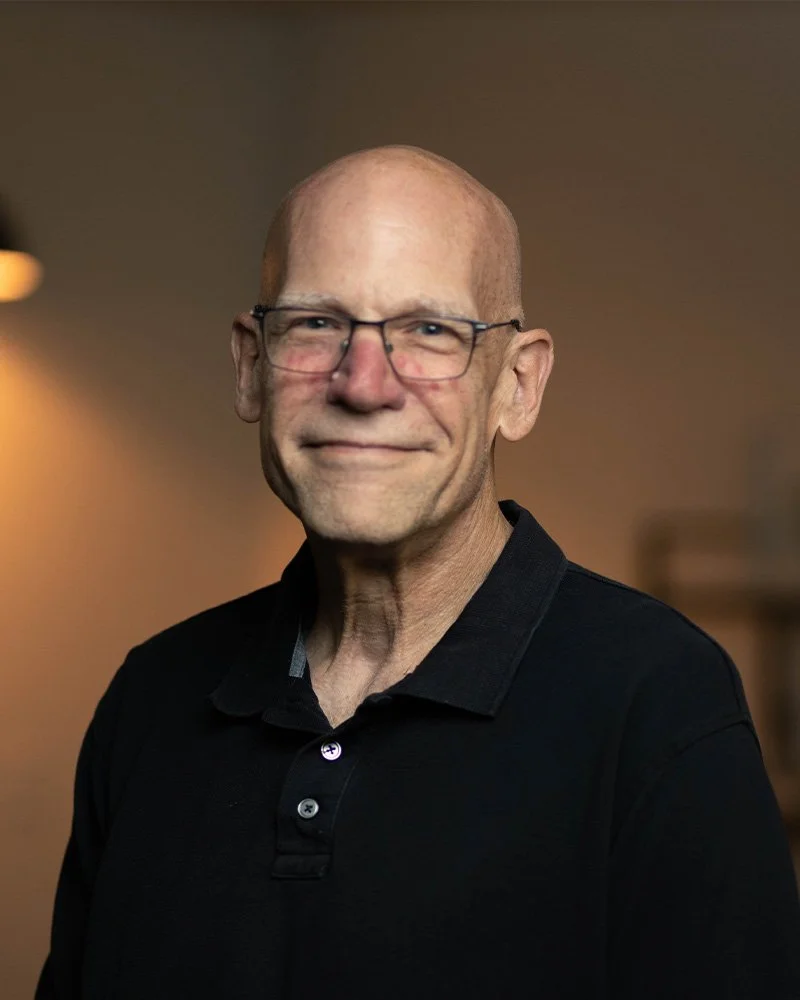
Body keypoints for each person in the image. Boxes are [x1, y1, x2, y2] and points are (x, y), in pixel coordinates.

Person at [37, 145, 800, 999]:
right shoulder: (152, 697)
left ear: (518, 385)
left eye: (431, 330)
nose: (364, 384)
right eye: (315, 323)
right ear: (251, 366)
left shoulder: (657, 704)